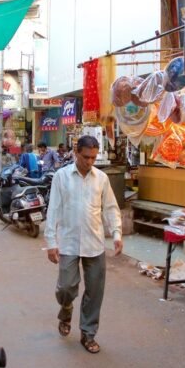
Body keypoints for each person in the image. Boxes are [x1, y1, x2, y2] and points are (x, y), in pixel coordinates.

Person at [45, 136, 123, 354]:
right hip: (68, 242)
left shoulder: (102, 179)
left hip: (95, 243)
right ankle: (66, 308)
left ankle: (88, 333)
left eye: (93, 158)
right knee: (67, 287)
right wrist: (51, 242)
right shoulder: (61, 177)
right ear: (76, 153)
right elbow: (54, 210)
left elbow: (110, 208)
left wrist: (116, 233)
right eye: (86, 157)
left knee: (95, 291)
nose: (90, 162)